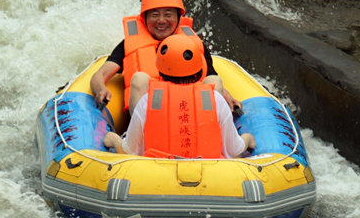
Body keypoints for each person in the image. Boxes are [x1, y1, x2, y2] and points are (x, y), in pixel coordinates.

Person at [102, 28, 255, 160]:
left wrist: (114, 141)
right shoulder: (215, 99)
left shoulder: (148, 100)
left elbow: (130, 151)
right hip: (209, 175)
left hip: (154, 175)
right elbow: (234, 152)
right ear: (199, 70)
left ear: (160, 70)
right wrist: (247, 139)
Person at [89, 0, 238, 115]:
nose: (161, 21)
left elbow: (210, 78)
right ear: (144, 19)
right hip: (148, 121)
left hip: (189, 116)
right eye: (154, 15)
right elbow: (99, 75)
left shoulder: (194, 45)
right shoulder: (129, 44)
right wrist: (101, 89)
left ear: (178, 18)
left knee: (214, 80)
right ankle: (140, 137)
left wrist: (229, 98)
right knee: (140, 79)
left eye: (168, 15)